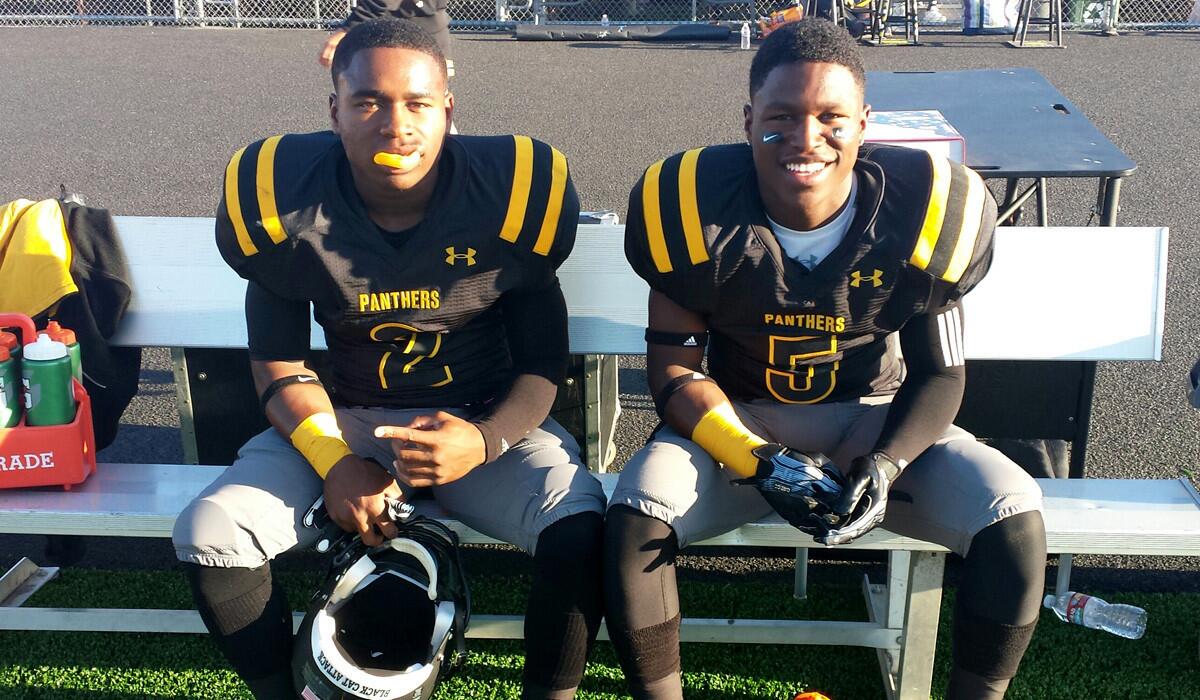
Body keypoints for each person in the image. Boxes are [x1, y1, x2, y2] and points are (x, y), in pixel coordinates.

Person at [605, 18, 1046, 700]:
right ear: (749, 120)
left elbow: (942, 375)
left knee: (1012, 517)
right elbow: (676, 372)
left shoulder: (925, 210)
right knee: (636, 516)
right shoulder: (694, 207)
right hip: (740, 420)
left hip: (875, 420)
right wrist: (755, 456)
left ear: (865, 123)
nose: (807, 139)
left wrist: (889, 461)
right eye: (782, 116)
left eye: (831, 117)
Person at [172, 18, 605, 700]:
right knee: (210, 529)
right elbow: (280, 368)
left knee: (580, 523)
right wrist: (334, 462)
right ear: (335, 111)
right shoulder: (282, 199)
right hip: (344, 421)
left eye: (417, 103)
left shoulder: (511, 195)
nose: (395, 124)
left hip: (479, 420)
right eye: (368, 100)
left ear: (448, 111)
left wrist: (484, 440)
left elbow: (543, 363)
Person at [318, 0, 453, 80]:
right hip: (431, 31)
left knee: (382, 101)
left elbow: (380, 3)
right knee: (431, 105)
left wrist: (346, 30)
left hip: (403, 36)